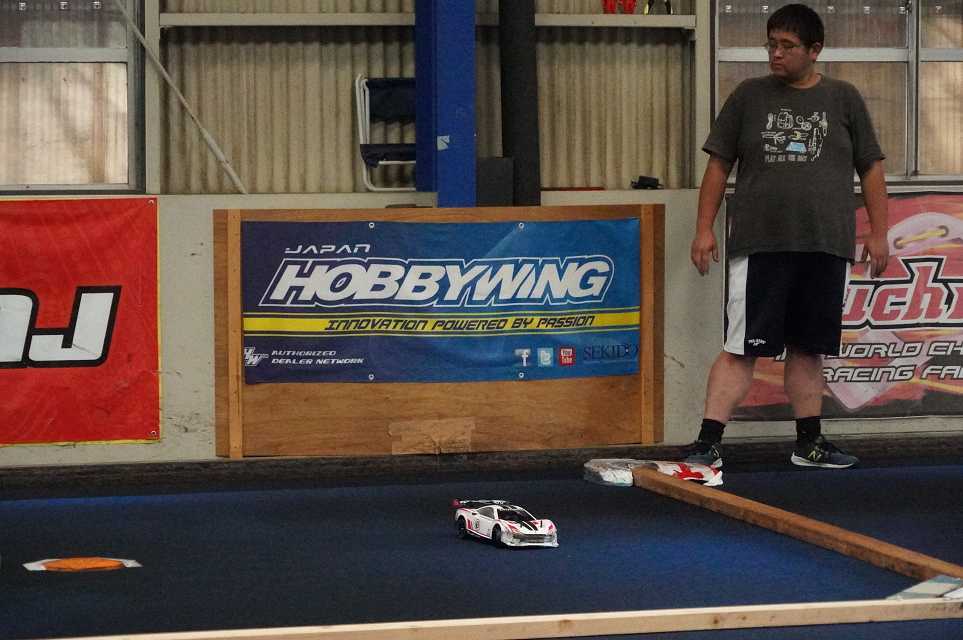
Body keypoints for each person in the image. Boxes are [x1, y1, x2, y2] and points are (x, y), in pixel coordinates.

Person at [684, 3, 889, 470]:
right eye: (771, 44)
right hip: (761, 244)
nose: (775, 54)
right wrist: (703, 229)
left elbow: (871, 168)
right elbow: (718, 166)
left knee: (809, 348)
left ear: (815, 50)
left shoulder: (844, 98)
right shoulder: (748, 96)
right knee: (741, 347)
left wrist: (880, 232)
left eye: (787, 46)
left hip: (825, 244)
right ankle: (707, 444)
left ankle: (809, 443)